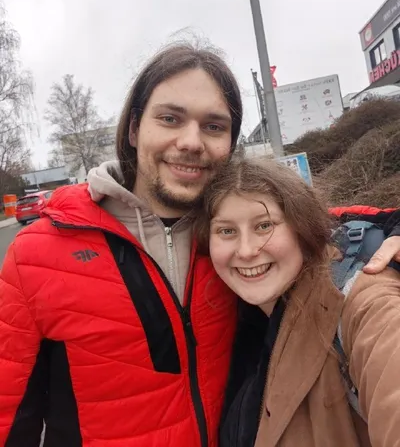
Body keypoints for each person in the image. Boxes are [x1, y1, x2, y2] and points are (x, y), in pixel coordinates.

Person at [0, 43, 399, 447]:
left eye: (213, 126)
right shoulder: (37, 253)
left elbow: (324, 223)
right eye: (170, 118)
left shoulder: (229, 230)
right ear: (134, 128)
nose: (191, 141)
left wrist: (394, 227)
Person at [196, 157, 400, 447]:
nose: (246, 250)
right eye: (226, 231)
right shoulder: (239, 320)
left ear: (301, 227)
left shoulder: (362, 301)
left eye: (264, 225)